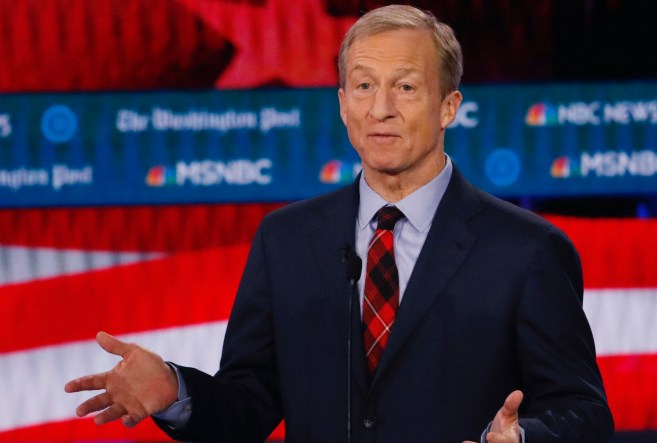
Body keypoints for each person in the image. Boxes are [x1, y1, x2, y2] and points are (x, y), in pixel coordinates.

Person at [65, 5, 614, 442]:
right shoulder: (287, 240)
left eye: (405, 86)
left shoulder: (527, 249)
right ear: (343, 103)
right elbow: (249, 405)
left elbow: (584, 412)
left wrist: (523, 440)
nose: (381, 109)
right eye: (364, 86)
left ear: (448, 106)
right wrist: (176, 390)